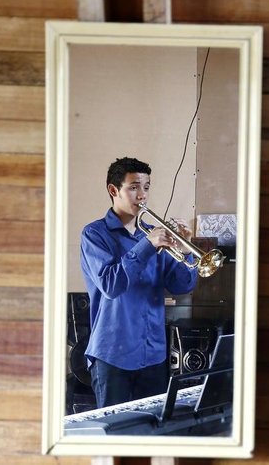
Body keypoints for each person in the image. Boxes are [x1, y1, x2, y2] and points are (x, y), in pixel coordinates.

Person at [80, 156, 198, 408]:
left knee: (150, 434)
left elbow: (182, 286)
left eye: (146, 187)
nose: (142, 195)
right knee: (115, 438)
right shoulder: (94, 234)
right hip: (113, 354)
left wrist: (185, 250)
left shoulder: (154, 236)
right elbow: (111, 286)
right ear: (114, 190)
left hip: (153, 352)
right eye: (133, 187)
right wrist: (147, 246)